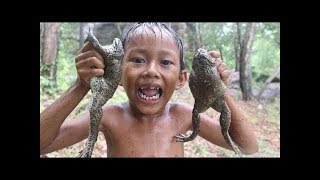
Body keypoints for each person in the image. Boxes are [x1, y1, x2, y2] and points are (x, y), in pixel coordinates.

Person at [40, 22, 259, 157]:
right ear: (118, 74)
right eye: (137, 59)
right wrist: (81, 85)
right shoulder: (109, 117)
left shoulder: (183, 116)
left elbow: (247, 146)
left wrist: (218, 87)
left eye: (165, 62)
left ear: (182, 78)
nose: (151, 71)